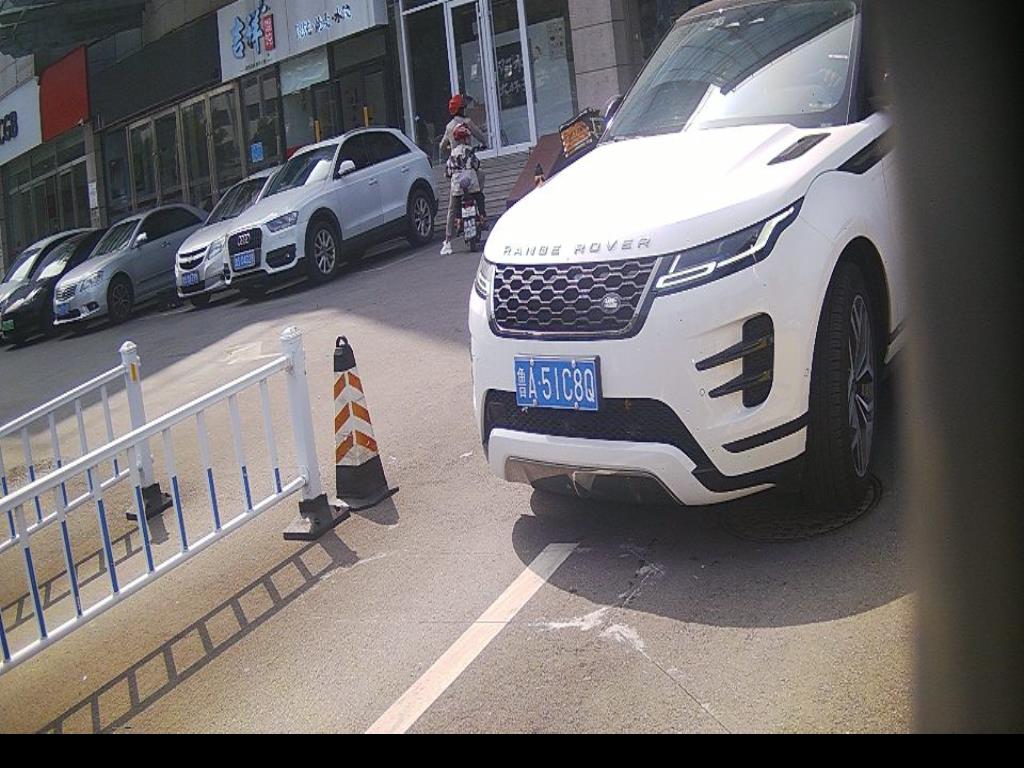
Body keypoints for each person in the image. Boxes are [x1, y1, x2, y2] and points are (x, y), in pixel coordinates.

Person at [440, 93, 488, 217]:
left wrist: (450, 149)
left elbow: (442, 146)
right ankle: (482, 215)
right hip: (468, 167)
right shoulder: (467, 122)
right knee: (480, 176)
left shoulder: (449, 126)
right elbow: (480, 136)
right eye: (463, 107)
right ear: (461, 109)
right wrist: (484, 143)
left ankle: (451, 227)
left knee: (452, 206)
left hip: (456, 169)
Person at [441, 124, 484, 256]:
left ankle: (448, 240)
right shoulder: (470, 151)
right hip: (472, 186)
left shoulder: (452, 154)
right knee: (480, 198)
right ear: (464, 139)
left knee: (452, 210)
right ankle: (482, 217)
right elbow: (477, 165)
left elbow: (448, 172)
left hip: (457, 189)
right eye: (467, 138)